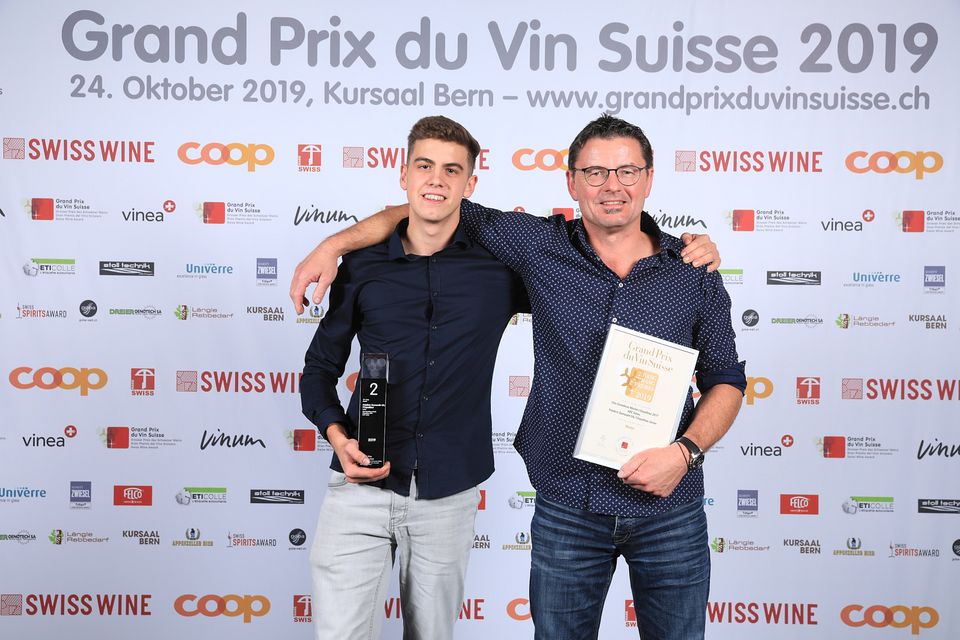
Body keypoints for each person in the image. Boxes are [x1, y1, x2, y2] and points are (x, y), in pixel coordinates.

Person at [295, 115, 738, 640]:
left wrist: (684, 454)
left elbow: (726, 380)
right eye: (594, 172)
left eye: (626, 171)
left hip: (669, 506)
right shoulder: (536, 247)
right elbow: (431, 206)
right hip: (567, 504)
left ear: (649, 178)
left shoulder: (693, 271)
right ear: (571, 182)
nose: (611, 185)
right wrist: (334, 245)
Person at [300, 116, 527, 640]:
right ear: (403, 176)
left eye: (452, 170)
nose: (436, 180)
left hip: (447, 492)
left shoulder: (501, 272)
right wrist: (338, 436)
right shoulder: (361, 267)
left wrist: (680, 249)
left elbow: (592, 262)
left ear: (470, 185)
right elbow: (318, 371)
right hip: (358, 486)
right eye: (424, 166)